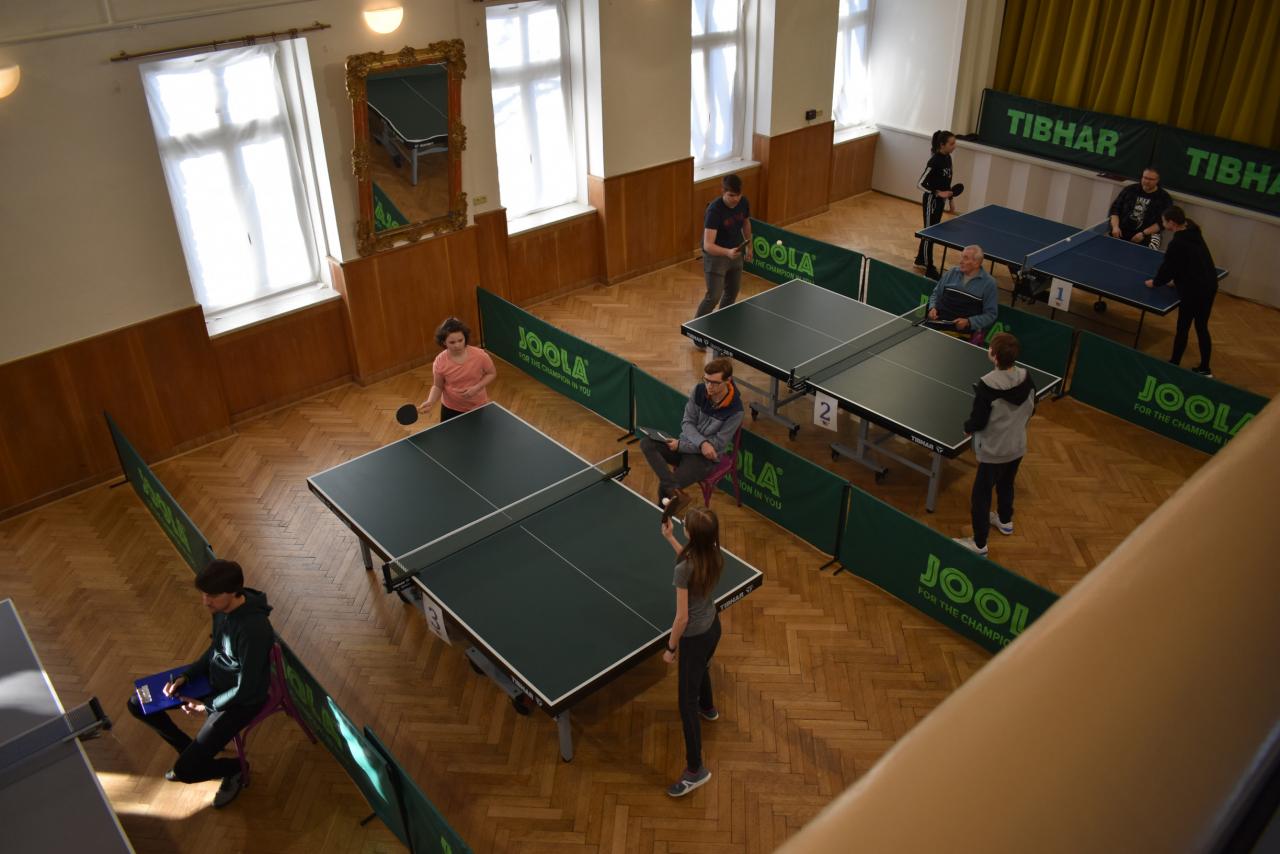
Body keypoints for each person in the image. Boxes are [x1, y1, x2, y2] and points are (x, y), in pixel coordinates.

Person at [126, 559, 274, 809]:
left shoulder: (254, 630)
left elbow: (246, 687)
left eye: (212, 595)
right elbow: (216, 649)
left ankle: (235, 768)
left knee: (186, 771)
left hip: (240, 702)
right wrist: (187, 676)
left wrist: (206, 706)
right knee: (137, 704)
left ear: (233, 591)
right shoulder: (221, 610)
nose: (205, 601)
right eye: (204, 594)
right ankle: (189, 750)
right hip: (214, 680)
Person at [659, 505, 725, 797]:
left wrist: (670, 648)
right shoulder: (715, 554)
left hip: (695, 637)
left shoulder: (683, 569)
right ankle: (708, 707)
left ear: (692, 535)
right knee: (703, 667)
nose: (682, 522)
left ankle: (696, 770)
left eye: (684, 523)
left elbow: (682, 618)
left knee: (686, 703)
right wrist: (671, 539)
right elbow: (691, 563)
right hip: (713, 628)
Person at [954, 333, 1036, 556]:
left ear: (995, 356)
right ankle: (1005, 520)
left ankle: (979, 544)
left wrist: (968, 427)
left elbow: (978, 420)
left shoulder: (987, 385)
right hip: (1017, 445)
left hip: (995, 450)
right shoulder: (1026, 377)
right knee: (1007, 483)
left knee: (981, 495)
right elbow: (1032, 406)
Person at [639, 357, 744, 512]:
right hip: (684, 445)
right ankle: (673, 489)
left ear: (728, 380)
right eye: (706, 380)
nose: (709, 386)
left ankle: (662, 517)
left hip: (704, 460)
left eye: (715, 383)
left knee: (664, 488)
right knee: (647, 443)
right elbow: (687, 422)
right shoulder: (699, 391)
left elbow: (716, 445)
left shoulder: (736, 411)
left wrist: (683, 446)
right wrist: (701, 443)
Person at [1145, 206, 1218, 377]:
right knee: (1201, 327)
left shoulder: (1178, 243)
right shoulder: (1192, 229)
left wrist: (1156, 282)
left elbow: (1168, 267)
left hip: (1193, 290)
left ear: (1171, 223)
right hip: (1209, 285)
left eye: (1164, 222)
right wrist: (1176, 280)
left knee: (1183, 327)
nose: (1163, 224)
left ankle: (1174, 363)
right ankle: (1205, 369)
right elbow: (1188, 261)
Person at [693, 174, 753, 337]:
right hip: (716, 256)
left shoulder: (743, 202)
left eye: (738, 195)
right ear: (723, 192)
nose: (736, 199)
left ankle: (722, 327)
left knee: (732, 293)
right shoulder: (714, 210)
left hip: (736, 252)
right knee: (713, 297)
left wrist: (749, 246)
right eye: (731, 195)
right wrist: (727, 252)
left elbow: (746, 223)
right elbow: (708, 245)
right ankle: (696, 332)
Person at [417, 317, 497, 421]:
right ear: (444, 342)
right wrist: (430, 401)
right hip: (450, 408)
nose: (457, 345)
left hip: (478, 406)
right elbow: (438, 386)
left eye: (460, 340)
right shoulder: (440, 361)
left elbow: (491, 373)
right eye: (452, 342)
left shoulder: (480, 356)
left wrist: (476, 388)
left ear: (465, 338)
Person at [914, 130, 963, 279]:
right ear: (942, 145)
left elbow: (947, 184)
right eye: (951, 143)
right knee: (930, 234)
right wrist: (937, 193)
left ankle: (920, 259)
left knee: (931, 232)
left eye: (954, 143)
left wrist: (951, 200)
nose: (954, 146)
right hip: (931, 202)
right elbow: (920, 183)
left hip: (940, 202)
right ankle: (929, 267)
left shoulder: (948, 158)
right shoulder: (934, 161)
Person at [927, 244, 998, 338]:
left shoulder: (989, 284)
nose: (960, 261)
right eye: (961, 257)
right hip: (936, 325)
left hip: (962, 334)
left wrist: (969, 322)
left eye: (965, 258)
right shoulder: (952, 272)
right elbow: (936, 294)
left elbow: (991, 314)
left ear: (976, 263)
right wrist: (932, 308)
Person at [1109, 167, 1173, 248]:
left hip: (1148, 234)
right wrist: (1115, 227)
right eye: (1145, 178)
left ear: (1158, 180)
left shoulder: (1164, 198)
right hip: (1122, 230)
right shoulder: (1129, 190)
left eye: (1151, 179)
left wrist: (1143, 233)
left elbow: (1162, 223)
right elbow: (1115, 210)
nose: (1147, 181)